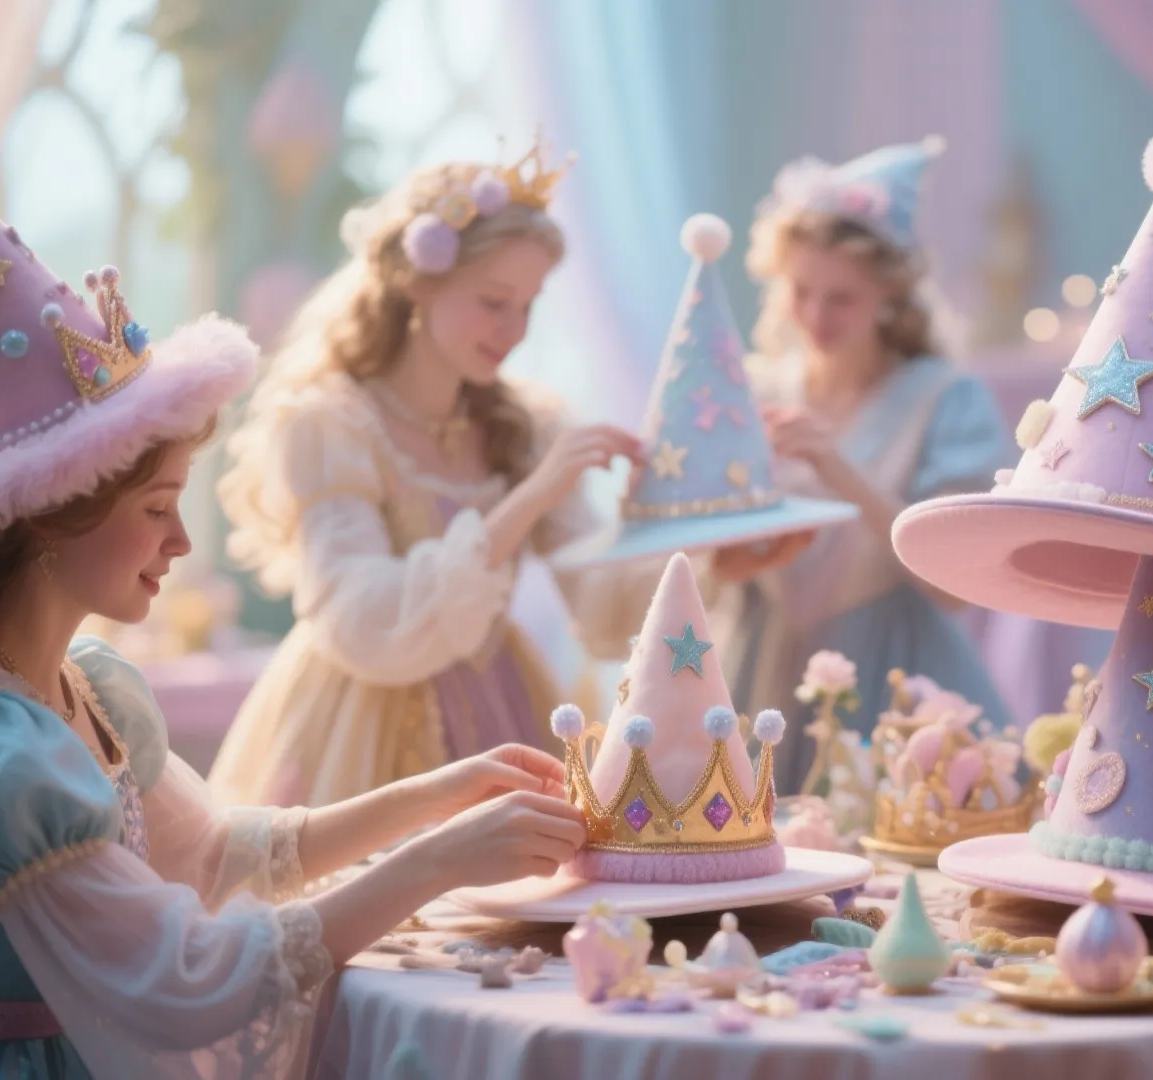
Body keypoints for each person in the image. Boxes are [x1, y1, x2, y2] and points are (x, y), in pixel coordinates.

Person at [0, 154, 585, 1077]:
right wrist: (437, 861)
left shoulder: (78, 687)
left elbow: (217, 851)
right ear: (49, 517)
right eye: (157, 508)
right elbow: (184, 979)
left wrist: (433, 798)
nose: (182, 541)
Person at [209, 145, 644, 807]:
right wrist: (527, 501)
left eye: (528, 306)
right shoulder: (332, 424)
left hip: (503, 706)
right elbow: (362, 619)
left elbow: (600, 605)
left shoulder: (527, 428)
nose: (514, 330)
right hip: (355, 730)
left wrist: (692, 540)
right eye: (493, 301)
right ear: (418, 282)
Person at [710, 138, 1014, 782]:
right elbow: (712, 554)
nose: (816, 316)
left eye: (842, 298)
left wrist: (839, 470)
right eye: (801, 290)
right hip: (756, 667)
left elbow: (952, 587)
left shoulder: (942, 399)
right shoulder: (752, 390)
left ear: (889, 293)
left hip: (895, 673)